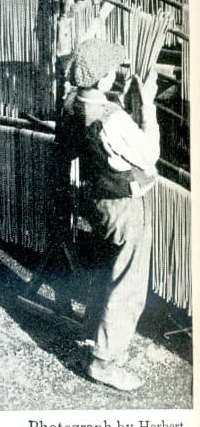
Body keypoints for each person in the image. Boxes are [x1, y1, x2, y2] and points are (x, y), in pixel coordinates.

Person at [56, 37, 159, 392]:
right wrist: (147, 107)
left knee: (105, 269)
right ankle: (105, 362)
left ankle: (93, 336)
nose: (115, 75)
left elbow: (76, 144)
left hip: (94, 200)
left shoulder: (70, 103)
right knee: (127, 284)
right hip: (123, 207)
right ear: (101, 79)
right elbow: (149, 155)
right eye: (111, 71)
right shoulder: (113, 120)